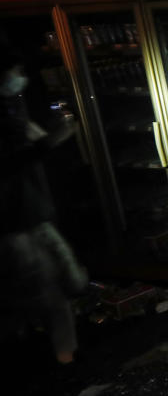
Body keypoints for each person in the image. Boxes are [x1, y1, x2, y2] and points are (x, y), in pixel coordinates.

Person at [0, 47, 87, 365]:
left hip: (35, 214)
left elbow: (33, 147)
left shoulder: (13, 111)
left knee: (67, 277)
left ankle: (61, 349)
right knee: (42, 286)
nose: (20, 79)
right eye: (16, 73)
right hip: (14, 222)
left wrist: (53, 135)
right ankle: (61, 355)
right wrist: (51, 139)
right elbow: (14, 161)